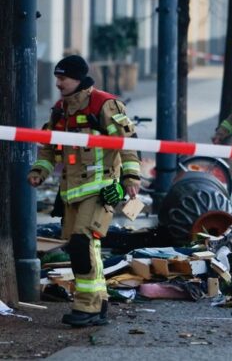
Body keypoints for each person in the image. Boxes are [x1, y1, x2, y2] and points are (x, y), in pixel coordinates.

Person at [27, 55, 141, 327]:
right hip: (71, 192)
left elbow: (127, 142)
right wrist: (39, 171)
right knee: (88, 247)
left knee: (81, 243)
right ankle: (99, 302)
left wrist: (131, 175)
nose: (58, 83)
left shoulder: (105, 104)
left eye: (62, 78)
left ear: (78, 78)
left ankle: (86, 307)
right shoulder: (60, 110)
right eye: (56, 77)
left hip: (101, 190)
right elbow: (48, 146)